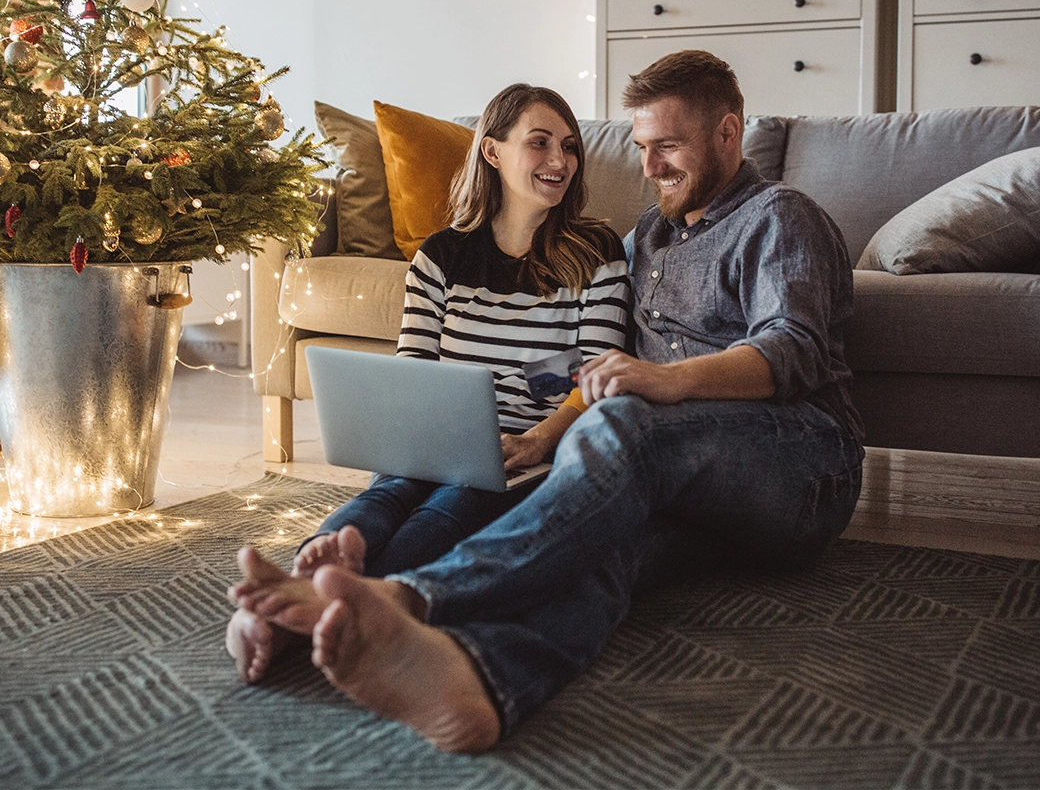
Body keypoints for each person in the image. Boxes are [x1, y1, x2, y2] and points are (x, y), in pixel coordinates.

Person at [228, 50, 865, 755]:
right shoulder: (650, 236)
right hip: (684, 484)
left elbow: (794, 349)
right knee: (596, 546)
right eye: (643, 148)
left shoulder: (780, 216)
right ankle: (475, 681)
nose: (650, 168)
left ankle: (410, 595)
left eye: (669, 147)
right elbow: (572, 328)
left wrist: (659, 382)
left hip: (799, 468)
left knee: (624, 420)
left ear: (726, 135)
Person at [226, 82, 631, 682]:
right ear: (491, 152)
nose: (559, 161)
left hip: (526, 449)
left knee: (444, 512)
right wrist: (403, 438)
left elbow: (596, 374)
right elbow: (413, 366)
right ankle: (304, 589)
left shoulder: (598, 252)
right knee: (383, 496)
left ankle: (298, 615)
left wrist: (539, 441)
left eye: (569, 147)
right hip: (436, 437)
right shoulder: (441, 256)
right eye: (539, 143)